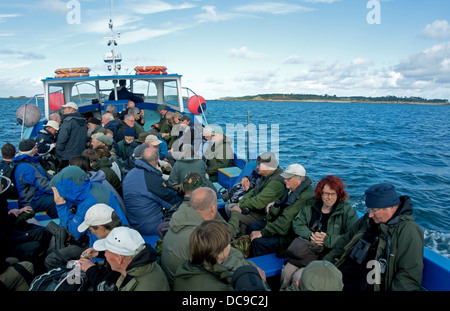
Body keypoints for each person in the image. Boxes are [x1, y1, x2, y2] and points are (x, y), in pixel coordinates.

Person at [324, 183, 424, 291]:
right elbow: (343, 243)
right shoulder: (368, 220)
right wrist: (324, 265)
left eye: (374, 210)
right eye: (369, 210)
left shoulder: (408, 231)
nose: (370, 215)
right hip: (343, 278)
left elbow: (407, 277)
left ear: (391, 208)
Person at [45, 166, 129, 270]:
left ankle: (71, 280)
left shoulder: (89, 202)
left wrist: (61, 205)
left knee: (52, 259)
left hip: (100, 244)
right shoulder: (95, 187)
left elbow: (75, 232)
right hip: (114, 234)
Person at [160, 187, 242, 287]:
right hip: (189, 284)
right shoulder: (202, 235)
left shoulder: (180, 218)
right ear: (213, 208)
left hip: (176, 280)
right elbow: (220, 265)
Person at [173, 219, 266, 291]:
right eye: (228, 243)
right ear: (219, 254)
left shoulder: (184, 270)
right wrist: (257, 280)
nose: (230, 246)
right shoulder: (223, 287)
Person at [248, 164, 316, 257]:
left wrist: (262, 233)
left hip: (290, 235)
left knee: (259, 242)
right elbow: (285, 205)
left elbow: (285, 222)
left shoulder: (304, 197)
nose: (285, 180)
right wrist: (275, 203)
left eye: (288, 178)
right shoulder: (292, 189)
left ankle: (260, 266)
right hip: (283, 226)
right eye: (285, 177)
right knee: (253, 226)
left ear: (299, 179)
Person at [292, 175, 359, 258]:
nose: (329, 198)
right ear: (321, 193)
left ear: (338, 194)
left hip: (332, 254)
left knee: (302, 271)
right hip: (310, 248)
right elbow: (298, 223)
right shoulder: (312, 205)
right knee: (288, 270)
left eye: (333, 194)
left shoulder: (348, 211)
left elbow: (353, 236)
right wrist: (311, 235)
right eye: (326, 193)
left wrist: (326, 240)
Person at [122, 146, 182, 236]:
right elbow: (173, 202)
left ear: (141, 158)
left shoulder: (131, 173)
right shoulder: (151, 180)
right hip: (150, 226)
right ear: (157, 160)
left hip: (134, 220)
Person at [92, 226, 170, 291]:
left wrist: (90, 270)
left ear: (119, 259)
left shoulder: (141, 286)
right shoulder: (147, 266)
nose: (105, 255)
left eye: (106, 252)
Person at [230, 152, 286, 235]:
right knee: (230, 207)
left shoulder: (276, 183)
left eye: (259, 165)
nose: (257, 167)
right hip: (257, 209)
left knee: (234, 213)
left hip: (264, 215)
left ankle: (243, 237)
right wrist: (241, 202)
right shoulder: (268, 175)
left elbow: (258, 202)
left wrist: (239, 205)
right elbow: (254, 191)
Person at [74, 204, 123, 291]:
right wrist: (99, 253)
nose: (91, 232)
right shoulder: (124, 235)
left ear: (100, 228)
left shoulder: (118, 252)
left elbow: (104, 288)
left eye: (91, 230)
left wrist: (90, 268)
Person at [13, 139, 58, 218]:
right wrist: (58, 190)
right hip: (30, 201)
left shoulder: (33, 161)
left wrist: (61, 180)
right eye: (35, 148)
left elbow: (47, 175)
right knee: (55, 200)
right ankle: (57, 221)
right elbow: (43, 185)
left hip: (38, 194)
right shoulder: (26, 167)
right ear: (30, 150)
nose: (37, 149)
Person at [55, 102, 88, 170]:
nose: (63, 110)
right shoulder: (83, 121)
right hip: (80, 154)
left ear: (71, 109)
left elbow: (62, 139)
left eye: (65, 108)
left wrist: (58, 153)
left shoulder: (68, 121)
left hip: (67, 156)